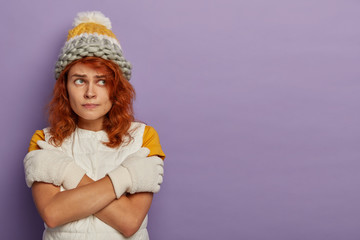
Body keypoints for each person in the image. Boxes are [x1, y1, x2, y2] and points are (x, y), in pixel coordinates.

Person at [23, 11, 165, 240]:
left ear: (117, 87)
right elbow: (53, 213)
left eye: (102, 81)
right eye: (79, 80)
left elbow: (129, 222)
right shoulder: (42, 140)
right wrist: (128, 176)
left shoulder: (144, 137)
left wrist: (63, 171)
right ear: (65, 87)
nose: (90, 93)